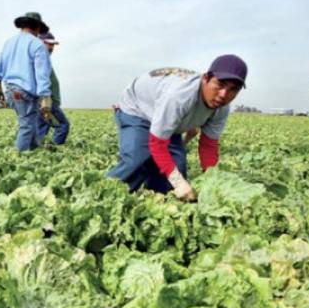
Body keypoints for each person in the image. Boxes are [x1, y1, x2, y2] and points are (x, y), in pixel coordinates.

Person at [106, 55, 248, 202]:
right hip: (139, 108)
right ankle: (104, 197)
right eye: (220, 84)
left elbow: (208, 146)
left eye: (233, 89)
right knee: (137, 159)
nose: (224, 94)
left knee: (175, 173)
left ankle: (155, 200)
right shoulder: (179, 96)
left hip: (168, 120)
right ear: (205, 79)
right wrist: (178, 182)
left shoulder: (221, 108)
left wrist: (212, 182)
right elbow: (157, 145)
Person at [0, 12, 53, 151]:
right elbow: (42, 73)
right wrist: (45, 97)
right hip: (25, 92)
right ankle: (19, 158)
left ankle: (35, 149)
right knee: (26, 126)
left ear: (23, 26)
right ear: (37, 28)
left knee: (30, 122)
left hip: (10, 90)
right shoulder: (37, 44)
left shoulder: (9, 43)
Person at [36, 32, 70, 145]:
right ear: (40, 43)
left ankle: (38, 149)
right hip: (47, 101)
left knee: (43, 126)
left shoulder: (43, 59)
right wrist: (45, 100)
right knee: (62, 125)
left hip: (44, 100)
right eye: (49, 44)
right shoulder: (41, 59)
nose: (52, 47)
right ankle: (54, 148)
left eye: (53, 45)